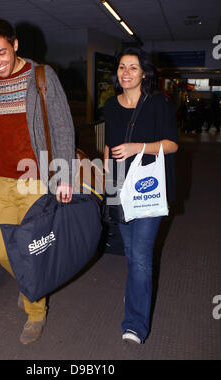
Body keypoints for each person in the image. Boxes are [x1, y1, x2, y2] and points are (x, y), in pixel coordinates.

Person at [0, 17, 75, 345]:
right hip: (0, 181)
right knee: (1, 249)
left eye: (2, 52)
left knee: (31, 250)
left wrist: (63, 176)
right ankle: (30, 284)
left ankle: (36, 312)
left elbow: (62, 128)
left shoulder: (41, 76)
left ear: (15, 45)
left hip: (35, 179)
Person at [104, 47, 178, 344]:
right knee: (132, 254)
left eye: (133, 68)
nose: (126, 73)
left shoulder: (158, 103)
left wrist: (137, 147)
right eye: (122, 67)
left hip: (149, 189)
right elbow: (109, 148)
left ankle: (135, 324)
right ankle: (137, 294)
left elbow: (172, 145)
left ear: (144, 73)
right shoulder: (110, 105)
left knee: (141, 258)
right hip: (119, 187)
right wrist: (106, 182)